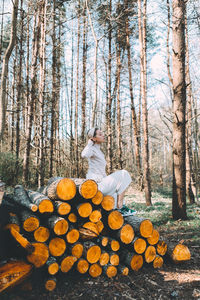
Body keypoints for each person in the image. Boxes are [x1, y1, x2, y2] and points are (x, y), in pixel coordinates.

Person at [81, 127, 136, 216]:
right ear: (94, 138)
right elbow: (84, 154)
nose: (103, 135)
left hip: (102, 181)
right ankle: (120, 207)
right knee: (124, 173)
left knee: (118, 187)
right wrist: (89, 143)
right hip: (96, 186)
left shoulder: (99, 151)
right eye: (100, 134)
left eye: (102, 133)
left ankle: (120, 210)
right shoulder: (92, 149)